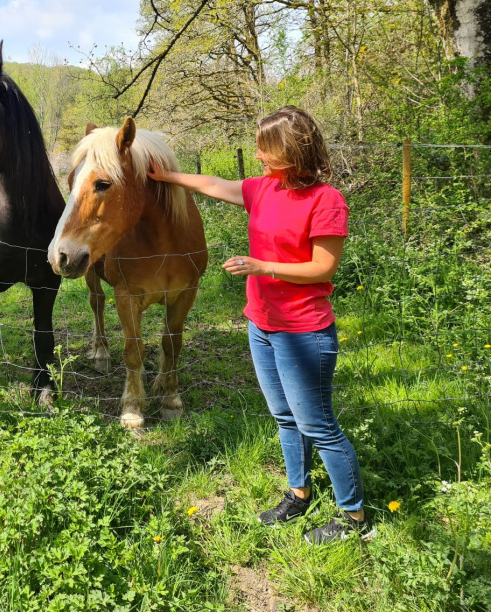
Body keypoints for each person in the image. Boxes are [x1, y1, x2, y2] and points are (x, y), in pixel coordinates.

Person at [148, 106, 373, 544]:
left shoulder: (326, 201)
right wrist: (167, 178)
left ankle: (355, 519)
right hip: (261, 325)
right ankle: (299, 493)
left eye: (265, 148)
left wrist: (261, 266)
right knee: (285, 418)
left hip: (304, 331)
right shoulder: (264, 189)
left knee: (318, 425)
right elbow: (212, 184)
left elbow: (323, 268)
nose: (257, 156)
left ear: (291, 151)